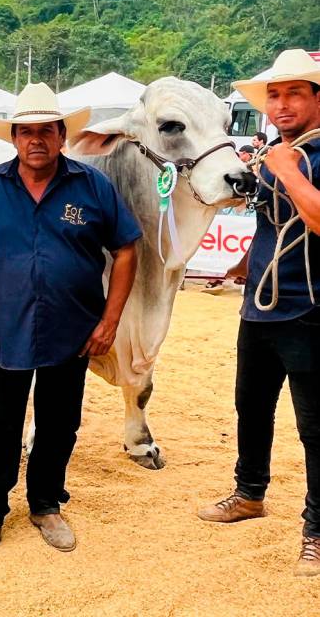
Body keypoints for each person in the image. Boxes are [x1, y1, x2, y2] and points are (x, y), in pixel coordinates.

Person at [0, 82, 141, 563]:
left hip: (71, 331)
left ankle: (46, 504)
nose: (36, 140)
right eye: (26, 131)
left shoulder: (92, 185)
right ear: (14, 137)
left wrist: (110, 320)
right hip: (3, 329)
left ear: (61, 135)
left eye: (46, 131)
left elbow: (126, 249)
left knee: (59, 424)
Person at [198, 49, 320, 577]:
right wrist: (239, 266)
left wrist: (288, 169)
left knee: (315, 428)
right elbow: (272, 223)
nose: (282, 103)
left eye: (295, 92)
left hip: (312, 310)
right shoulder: (277, 150)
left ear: (317, 98)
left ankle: (316, 531)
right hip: (261, 309)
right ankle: (250, 494)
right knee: (251, 407)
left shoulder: (295, 156)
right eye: (275, 94)